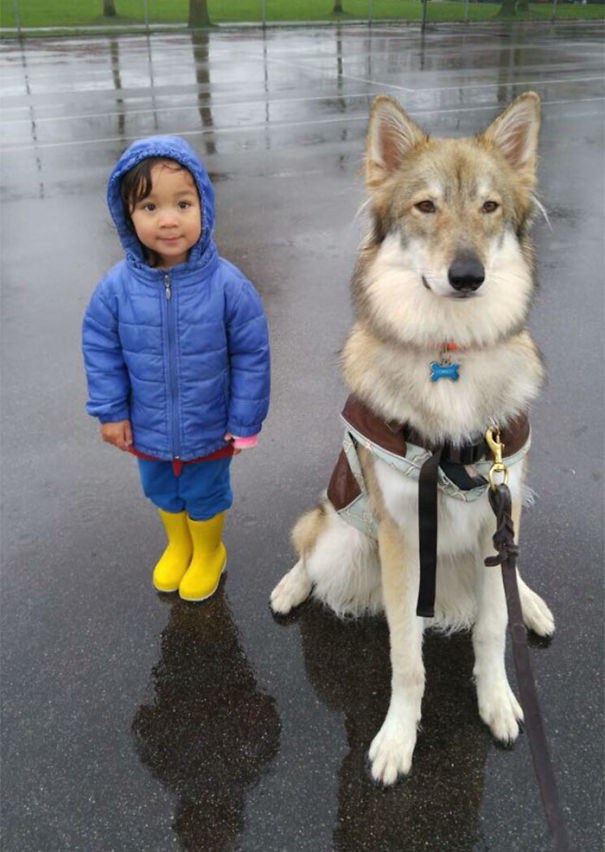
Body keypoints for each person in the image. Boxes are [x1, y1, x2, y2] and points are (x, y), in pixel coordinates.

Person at [82, 136, 270, 602]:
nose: (168, 219)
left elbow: (251, 354)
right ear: (127, 215)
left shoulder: (228, 285)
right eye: (149, 206)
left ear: (202, 206)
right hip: (147, 426)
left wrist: (245, 421)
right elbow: (100, 349)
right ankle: (178, 543)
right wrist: (110, 412)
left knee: (205, 492)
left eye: (182, 204)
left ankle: (208, 551)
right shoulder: (115, 289)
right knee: (161, 488)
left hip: (210, 425)